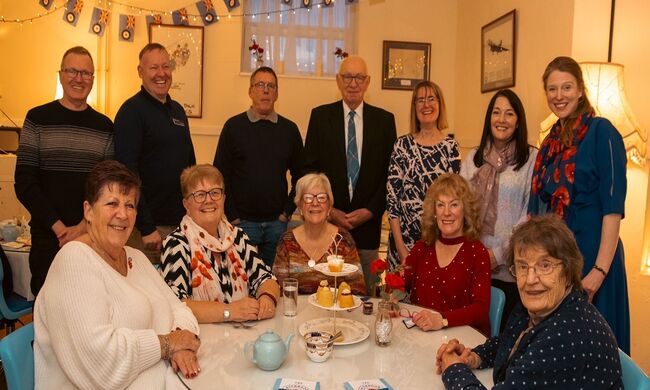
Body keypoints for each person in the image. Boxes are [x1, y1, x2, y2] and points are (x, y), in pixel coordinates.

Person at [34, 160, 201, 389]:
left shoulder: (136, 258)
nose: (122, 214)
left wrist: (181, 342)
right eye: (112, 203)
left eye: (130, 205)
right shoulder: (73, 261)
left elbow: (179, 308)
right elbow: (101, 365)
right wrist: (168, 344)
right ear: (88, 211)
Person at [436, 214, 623, 389]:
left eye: (545, 265)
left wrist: (453, 369)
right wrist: (474, 357)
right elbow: (509, 341)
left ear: (567, 272)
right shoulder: (545, 308)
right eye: (523, 266)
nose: (530, 279)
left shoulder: (565, 337)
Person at [528, 56, 629, 353]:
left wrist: (598, 271)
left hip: (595, 261)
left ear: (580, 90)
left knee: (596, 354)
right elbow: (539, 210)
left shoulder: (603, 133)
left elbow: (613, 209)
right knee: (560, 353)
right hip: (558, 265)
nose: (559, 96)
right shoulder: (549, 144)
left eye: (566, 87)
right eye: (552, 89)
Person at [14, 46, 113, 296]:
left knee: (90, 309)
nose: (78, 79)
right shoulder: (37, 119)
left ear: (93, 80)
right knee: (47, 314)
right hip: (48, 239)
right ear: (60, 75)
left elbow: (107, 186)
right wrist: (58, 227)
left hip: (92, 238)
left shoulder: (104, 127)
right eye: (72, 71)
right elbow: (24, 182)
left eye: (86, 73)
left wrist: (82, 226)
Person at [303, 55, 397, 292]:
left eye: (359, 78)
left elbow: (391, 176)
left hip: (368, 230)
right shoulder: (320, 117)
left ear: (367, 82)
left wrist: (371, 210)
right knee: (327, 292)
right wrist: (329, 210)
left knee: (367, 295)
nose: (353, 83)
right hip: (328, 228)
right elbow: (309, 172)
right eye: (347, 77)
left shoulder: (385, 121)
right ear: (338, 80)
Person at [161, 164, 280, 323]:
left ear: (223, 199)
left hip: (242, 335)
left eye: (215, 193)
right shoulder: (176, 243)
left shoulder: (237, 236)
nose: (209, 200)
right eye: (200, 195)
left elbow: (266, 278)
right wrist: (229, 312)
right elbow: (175, 305)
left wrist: (267, 298)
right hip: (202, 340)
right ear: (186, 204)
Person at [460, 89, 538, 329]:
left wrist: (498, 255)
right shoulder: (474, 157)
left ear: (518, 121)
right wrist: (476, 256)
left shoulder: (530, 159)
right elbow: (460, 209)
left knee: (504, 341)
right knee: (471, 337)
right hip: (473, 268)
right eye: (496, 112)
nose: (501, 120)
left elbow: (529, 215)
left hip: (512, 272)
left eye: (509, 114)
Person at [114, 42, 196, 263]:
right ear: (140, 72)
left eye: (166, 67)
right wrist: (147, 226)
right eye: (153, 68)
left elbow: (191, 168)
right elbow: (127, 174)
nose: (161, 74)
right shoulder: (131, 111)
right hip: (148, 231)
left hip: (181, 225)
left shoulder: (178, 111)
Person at [214, 66, 303, 267]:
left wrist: (287, 212)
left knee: (273, 281)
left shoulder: (289, 130)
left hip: (277, 224)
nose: (265, 90)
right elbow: (220, 174)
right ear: (250, 91)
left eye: (271, 86)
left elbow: (301, 176)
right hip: (242, 224)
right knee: (242, 283)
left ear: (277, 93)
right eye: (260, 85)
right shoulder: (233, 127)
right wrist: (232, 215)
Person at [404, 173, 491, 336]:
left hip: (462, 339)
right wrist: (392, 300)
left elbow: (481, 309)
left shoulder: (478, 253)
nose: (446, 213)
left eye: (454, 205)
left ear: (465, 210)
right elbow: (400, 284)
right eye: (440, 205)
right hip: (421, 334)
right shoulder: (422, 248)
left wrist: (442, 320)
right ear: (434, 211)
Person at [386, 81, 460, 270]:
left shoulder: (451, 147)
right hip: (403, 244)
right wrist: (402, 250)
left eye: (431, 99)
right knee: (398, 298)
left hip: (439, 244)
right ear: (414, 107)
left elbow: (456, 201)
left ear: (439, 104)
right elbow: (392, 202)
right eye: (420, 100)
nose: (426, 105)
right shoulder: (401, 146)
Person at [273, 173, 366, 294]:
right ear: (300, 206)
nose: (315, 203)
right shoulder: (287, 241)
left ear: (329, 207)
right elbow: (278, 289)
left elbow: (358, 289)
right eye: (308, 198)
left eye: (321, 197)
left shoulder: (343, 240)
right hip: (297, 312)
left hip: (333, 312)